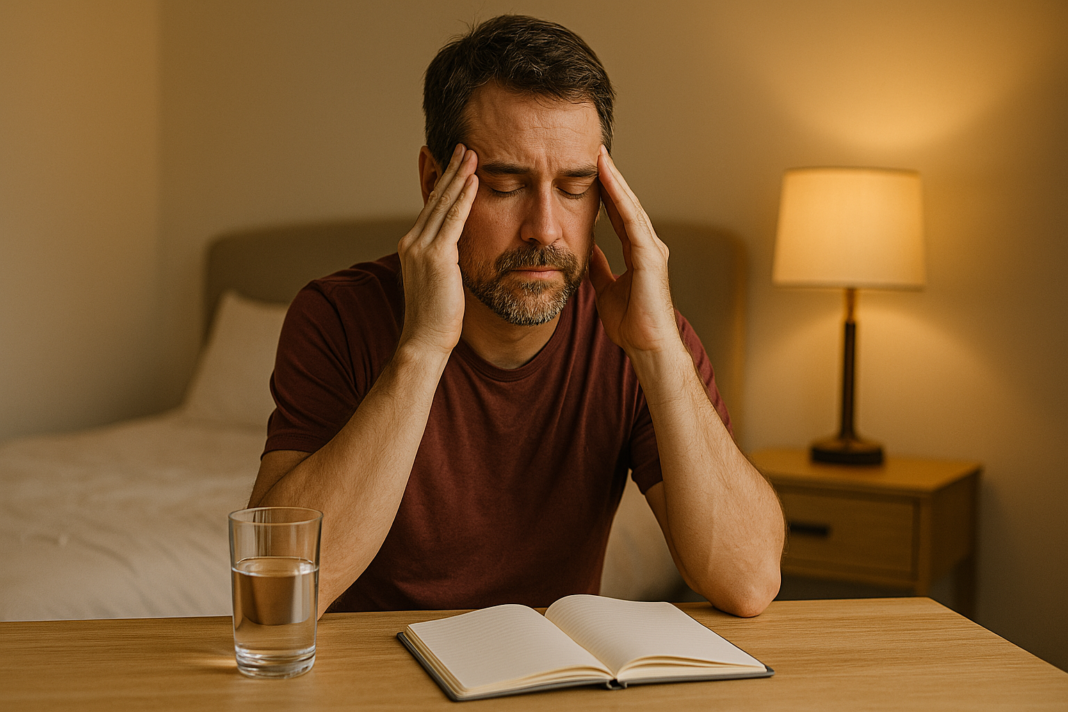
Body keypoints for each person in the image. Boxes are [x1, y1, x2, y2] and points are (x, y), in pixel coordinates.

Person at [248, 15, 784, 618]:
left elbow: (749, 581)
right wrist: (421, 351)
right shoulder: (337, 317)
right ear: (434, 182)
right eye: (506, 185)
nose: (546, 230)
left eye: (577, 187)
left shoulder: (641, 337)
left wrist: (659, 354)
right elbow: (277, 594)